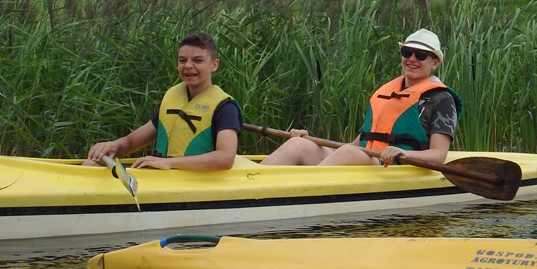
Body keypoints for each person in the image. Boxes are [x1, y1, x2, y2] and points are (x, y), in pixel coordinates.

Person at [260, 28, 462, 167]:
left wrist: (402, 153)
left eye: (421, 55)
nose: (412, 59)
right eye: (407, 52)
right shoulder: (386, 92)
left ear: (435, 63)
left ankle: (301, 189)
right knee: (299, 145)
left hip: (396, 167)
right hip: (366, 159)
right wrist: (313, 141)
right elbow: (358, 144)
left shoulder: (441, 99)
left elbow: (438, 156)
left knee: (349, 153)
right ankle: (255, 182)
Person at [83, 32, 242, 170]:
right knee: (90, 165)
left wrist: (170, 163)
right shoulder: (173, 98)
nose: (188, 66)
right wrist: (113, 146)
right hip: (165, 177)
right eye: (182, 60)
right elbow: (131, 142)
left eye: (197, 60)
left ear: (214, 65)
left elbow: (225, 158)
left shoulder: (225, 107)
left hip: (195, 180)